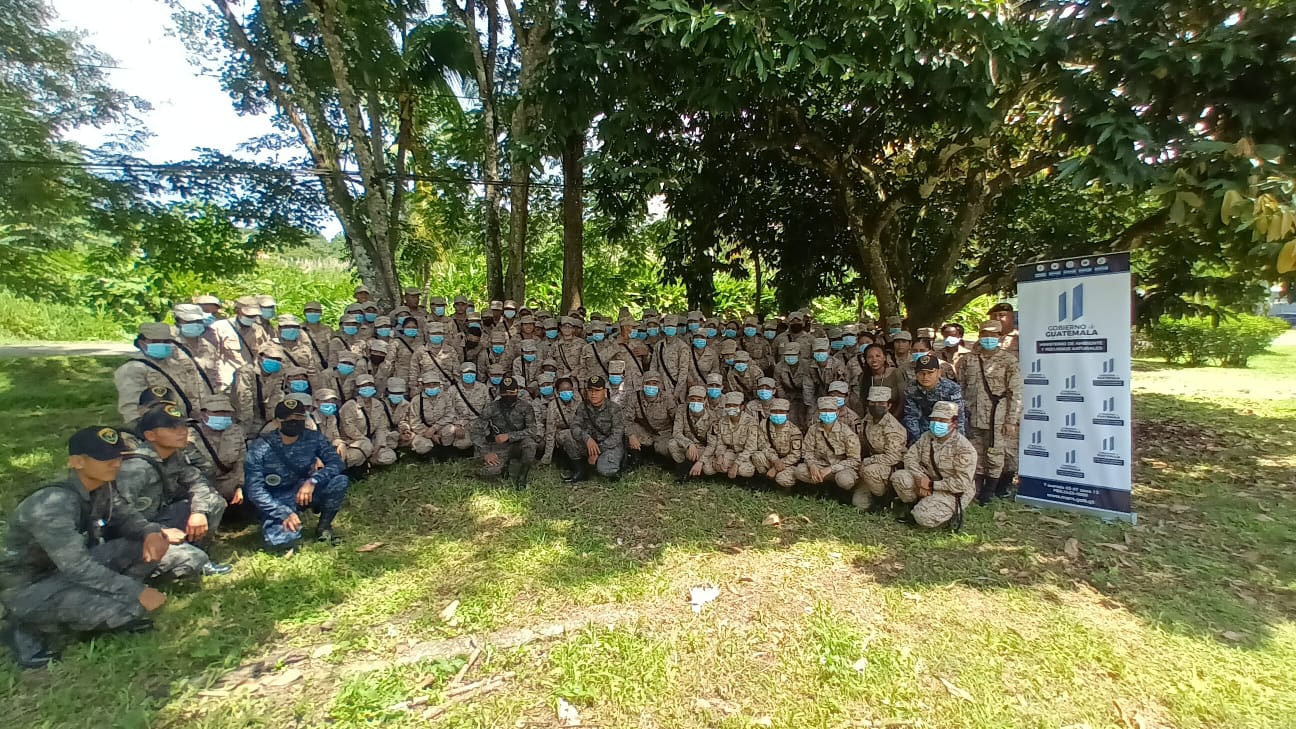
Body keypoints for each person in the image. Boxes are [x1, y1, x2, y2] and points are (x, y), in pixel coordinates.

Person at [0, 427, 170, 668]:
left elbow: (127, 518)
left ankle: (93, 604)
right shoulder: (52, 505)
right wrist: (135, 590)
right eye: (105, 458)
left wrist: (150, 532)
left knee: (145, 547)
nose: (115, 463)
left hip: (66, 571)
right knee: (128, 609)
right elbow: (77, 567)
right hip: (29, 587)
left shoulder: (102, 486)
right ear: (77, 462)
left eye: (118, 456)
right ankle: (22, 626)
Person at [114, 406, 232, 579]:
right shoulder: (136, 468)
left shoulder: (174, 455)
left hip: (158, 519)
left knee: (214, 502)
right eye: (172, 428)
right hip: (135, 534)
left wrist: (198, 512)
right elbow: (117, 516)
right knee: (193, 559)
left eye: (183, 427)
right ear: (150, 436)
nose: (182, 432)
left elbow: (197, 481)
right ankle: (136, 576)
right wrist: (154, 532)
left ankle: (196, 554)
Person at [244, 399, 350, 549]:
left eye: (299, 418)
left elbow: (336, 463)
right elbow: (255, 490)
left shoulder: (313, 437)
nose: (294, 422)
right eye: (288, 419)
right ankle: (280, 522)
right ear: (277, 421)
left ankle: (324, 527)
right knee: (283, 543)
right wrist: (282, 512)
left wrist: (313, 481)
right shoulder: (260, 448)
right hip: (276, 498)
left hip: (304, 490)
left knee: (340, 481)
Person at [958, 320, 1024, 503]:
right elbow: (961, 387)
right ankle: (976, 488)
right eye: (985, 334)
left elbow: (1016, 392)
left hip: (998, 416)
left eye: (993, 335)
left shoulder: (1008, 361)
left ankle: (989, 491)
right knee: (975, 453)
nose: (988, 338)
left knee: (995, 454)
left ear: (999, 337)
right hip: (973, 415)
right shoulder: (969, 360)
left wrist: (1012, 420)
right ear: (979, 335)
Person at [890, 401, 977, 529]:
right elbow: (910, 457)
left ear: (953, 423)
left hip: (952, 491)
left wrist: (932, 486)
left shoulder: (964, 448)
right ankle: (913, 506)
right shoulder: (927, 437)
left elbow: (961, 483)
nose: (937, 423)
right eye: (934, 419)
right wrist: (920, 478)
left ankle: (948, 515)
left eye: (942, 420)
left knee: (922, 516)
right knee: (899, 477)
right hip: (928, 480)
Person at [115, 322, 208, 422]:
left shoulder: (174, 363)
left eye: (166, 341)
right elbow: (131, 408)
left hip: (180, 422)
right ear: (142, 343)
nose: (162, 345)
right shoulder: (133, 368)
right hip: (157, 426)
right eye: (155, 341)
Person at [472, 376, 538, 489]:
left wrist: (509, 436)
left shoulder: (525, 407)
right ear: (500, 393)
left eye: (512, 393)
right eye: (505, 394)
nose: (509, 397)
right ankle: (507, 465)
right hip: (498, 446)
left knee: (530, 445)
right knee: (489, 472)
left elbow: (532, 430)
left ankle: (522, 476)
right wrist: (485, 452)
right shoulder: (491, 408)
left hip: (519, 443)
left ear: (517, 392)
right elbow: (476, 431)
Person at [852, 386, 908, 512]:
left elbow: (893, 457)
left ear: (888, 405)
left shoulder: (893, 428)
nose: (876, 406)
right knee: (859, 503)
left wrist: (868, 461)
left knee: (869, 471)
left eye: (881, 403)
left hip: (891, 465)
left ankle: (883, 500)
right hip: (872, 463)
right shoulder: (867, 420)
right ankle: (873, 491)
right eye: (872, 402)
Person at [796, 396, 862, 495]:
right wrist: (812, 465)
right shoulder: (813, 429)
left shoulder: (847, 432)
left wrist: (831, 469)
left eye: (831, 410)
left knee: (845, 480)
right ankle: (821, 488)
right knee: (799, 471)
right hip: (821, 465)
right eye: (824, 410)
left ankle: (841, 493)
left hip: (841, 468)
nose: (827, 413)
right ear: (819, 413)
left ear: (837, 412)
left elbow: (855, 460)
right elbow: (807, 451)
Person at [190, 394, 247, 508]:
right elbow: (189, 471)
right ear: (203, 414)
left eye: (227, 412)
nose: (223, 416)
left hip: (228, 482)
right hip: (200, 484)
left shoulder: (236, 431)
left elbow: (241, 462)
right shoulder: (190, 435)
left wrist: (239, 487)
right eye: (217, 412)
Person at [902, 353, 967, 444]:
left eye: (930, 372)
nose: (925, 377)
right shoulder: (911, 388)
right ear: (916, 374)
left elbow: (958, 418)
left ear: (938, 373)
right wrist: (918, 442)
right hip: (923, 429)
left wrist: (958, 442)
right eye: (921, 373)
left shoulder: (952, 388)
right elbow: (911, 416)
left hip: (946, 428)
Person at [408, 370, 471, 460]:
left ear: (439, 384)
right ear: (423, 386)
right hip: (424, 431)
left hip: (441, 427)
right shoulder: (416, 400)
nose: (432, 387)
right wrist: (429, 433)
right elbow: (415, 422)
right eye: (428, 385)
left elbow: (450, 415)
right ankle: (428, 455)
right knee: (422, 446)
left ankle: (446, 451)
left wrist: (434, 428)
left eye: (434, 384)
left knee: (450, 430)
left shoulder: (446, 397)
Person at [623, 370, 676, 467]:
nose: (651, 386)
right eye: (648, 383)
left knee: (666, 449)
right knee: (626, 435)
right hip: (644, 431)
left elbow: (676, 419)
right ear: (643, 384)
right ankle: (636, 458)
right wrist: (631, 435)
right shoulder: (635, 397)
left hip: (664, 433)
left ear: (659, 385)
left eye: (654, 383)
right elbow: (626, 419)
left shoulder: (667, 398)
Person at [703, 391, 759, 481]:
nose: (731, 408)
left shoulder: (751, 422)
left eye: (734, 405)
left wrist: (736, 464)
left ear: (741, 407)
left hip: (745, 456)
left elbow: (751, 448)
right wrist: (720, 456)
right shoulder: (722, 421)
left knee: (744, 470)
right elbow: (721, 442)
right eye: (728, 406)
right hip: (729, 453)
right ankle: (727, 473)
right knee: (708, 468)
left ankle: (738, 477)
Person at [750, 398, 802, 489]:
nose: (778, 414)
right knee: (757, 456)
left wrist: (778, 466)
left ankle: (787, 487)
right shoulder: (764, 424)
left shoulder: (794, 430)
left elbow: (796, 455)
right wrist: (775, 460)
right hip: (772, 458)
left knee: (783, 479)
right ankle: (765, 481)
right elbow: (763, 444)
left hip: (788, 463)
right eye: (774, 411)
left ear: (787, 413)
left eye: (781, 411)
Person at [669, 386, 715, 484]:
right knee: (672, 443)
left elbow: (712, 444)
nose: (696, 402)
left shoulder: (712, 417)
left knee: (708, 469)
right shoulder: (682, 410)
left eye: (699, 400)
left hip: (703, 448)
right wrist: (689, 444)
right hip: (687, 444)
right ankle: (683, 471)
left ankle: (698, 470)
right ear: (688, 399)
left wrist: (700, 462)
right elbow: (677, 432)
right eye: (692, 399)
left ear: (705, 400)